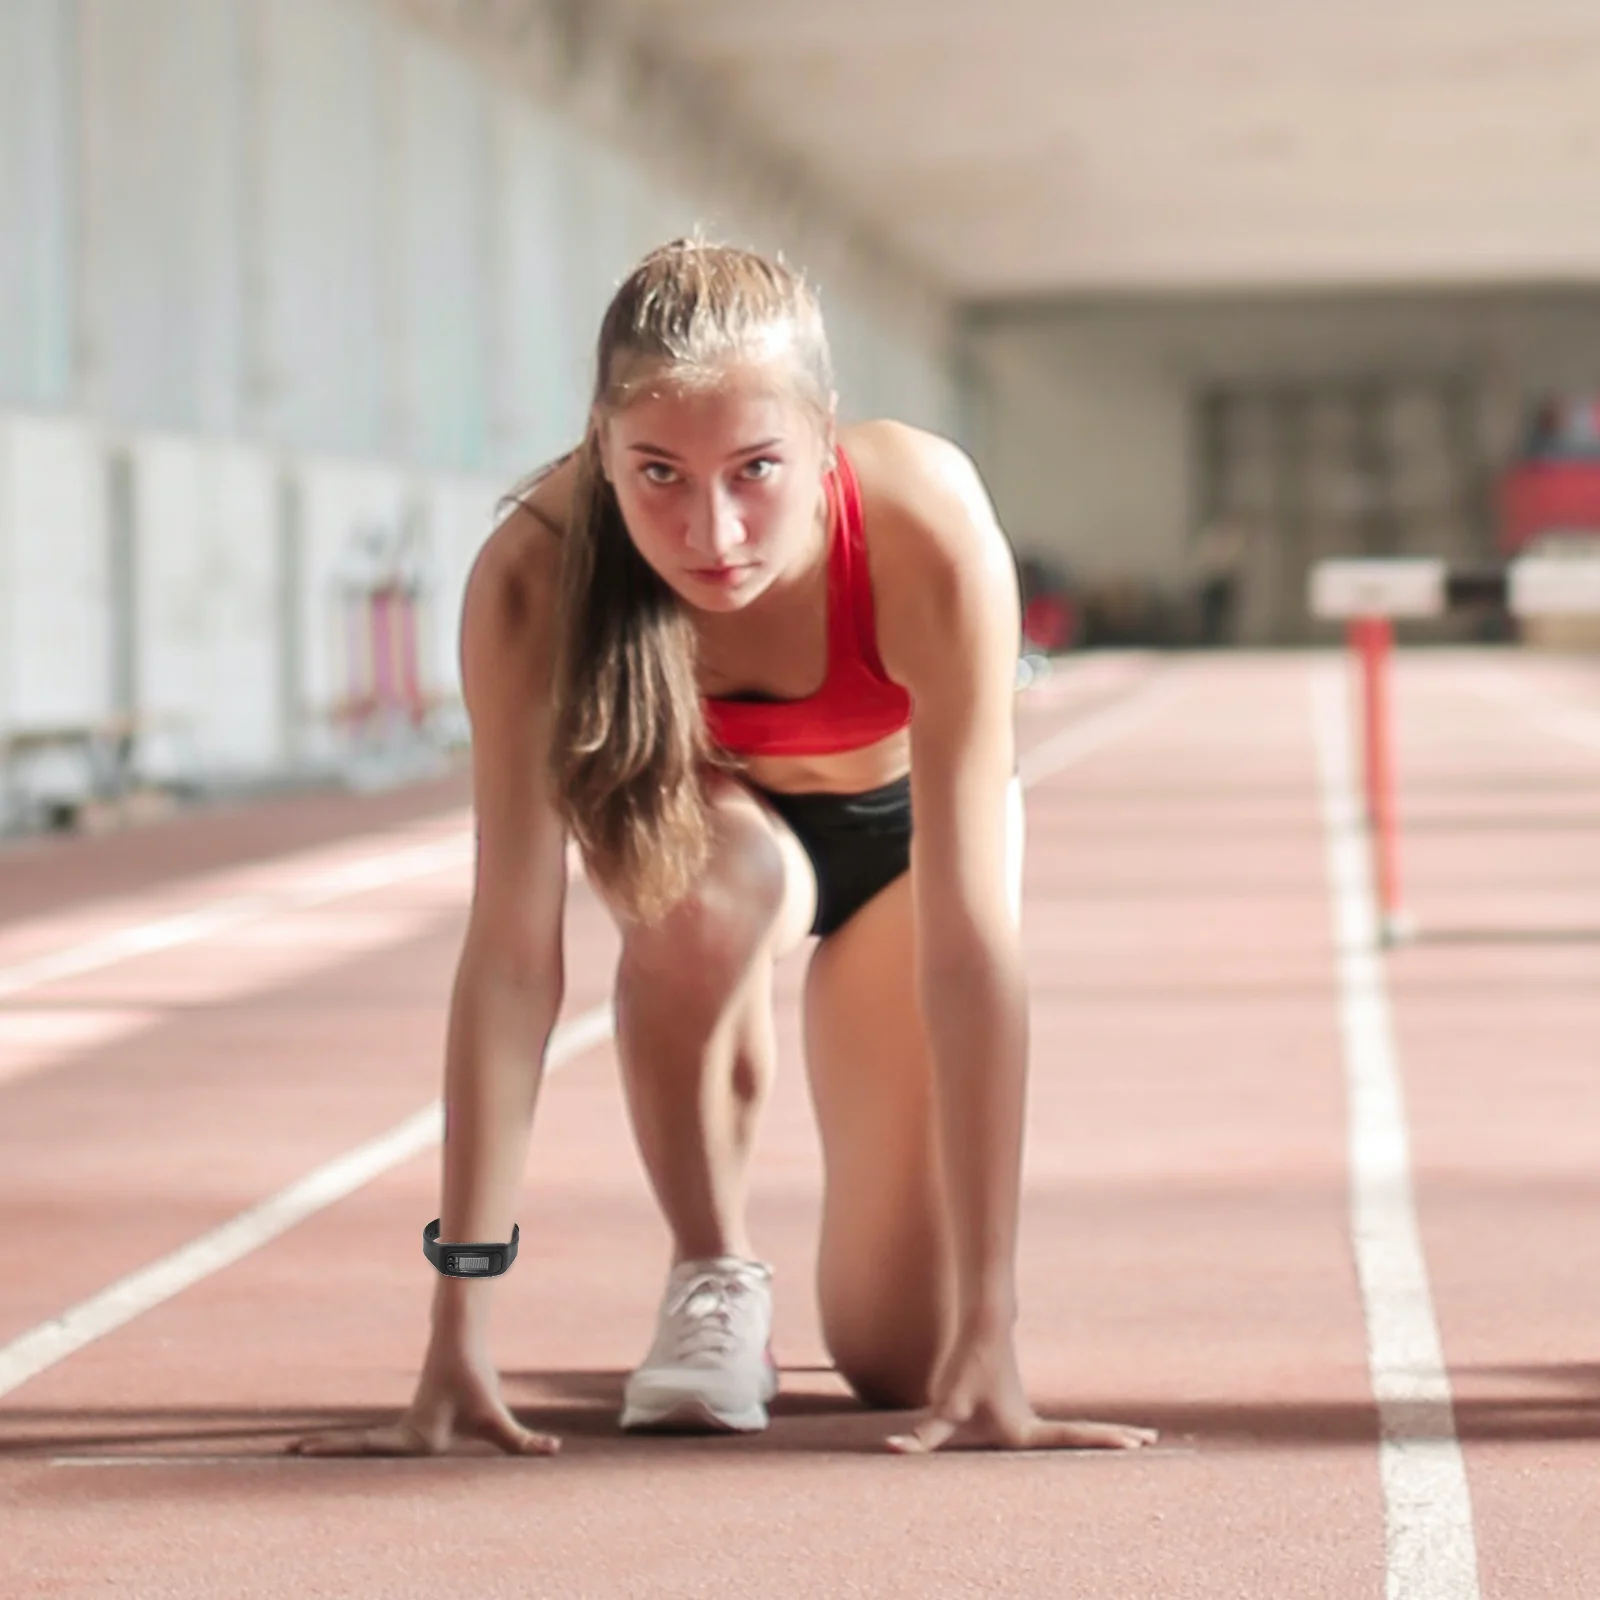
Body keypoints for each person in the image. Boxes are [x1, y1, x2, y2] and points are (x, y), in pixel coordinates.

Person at [292, 240, 1157, 1458]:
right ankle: (712, 1272)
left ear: (823, 439)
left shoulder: (925, 526)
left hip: (906, 853)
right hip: (714, 837)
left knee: (902, 1362)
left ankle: (946, 1319)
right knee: (710, 891)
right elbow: (507, 964)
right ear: (599, 445)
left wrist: (996, 1329)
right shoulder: (533, 580)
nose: (711, 530)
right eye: (658, 475)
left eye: (756, 471)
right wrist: (457, 1327)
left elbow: (973, 952)